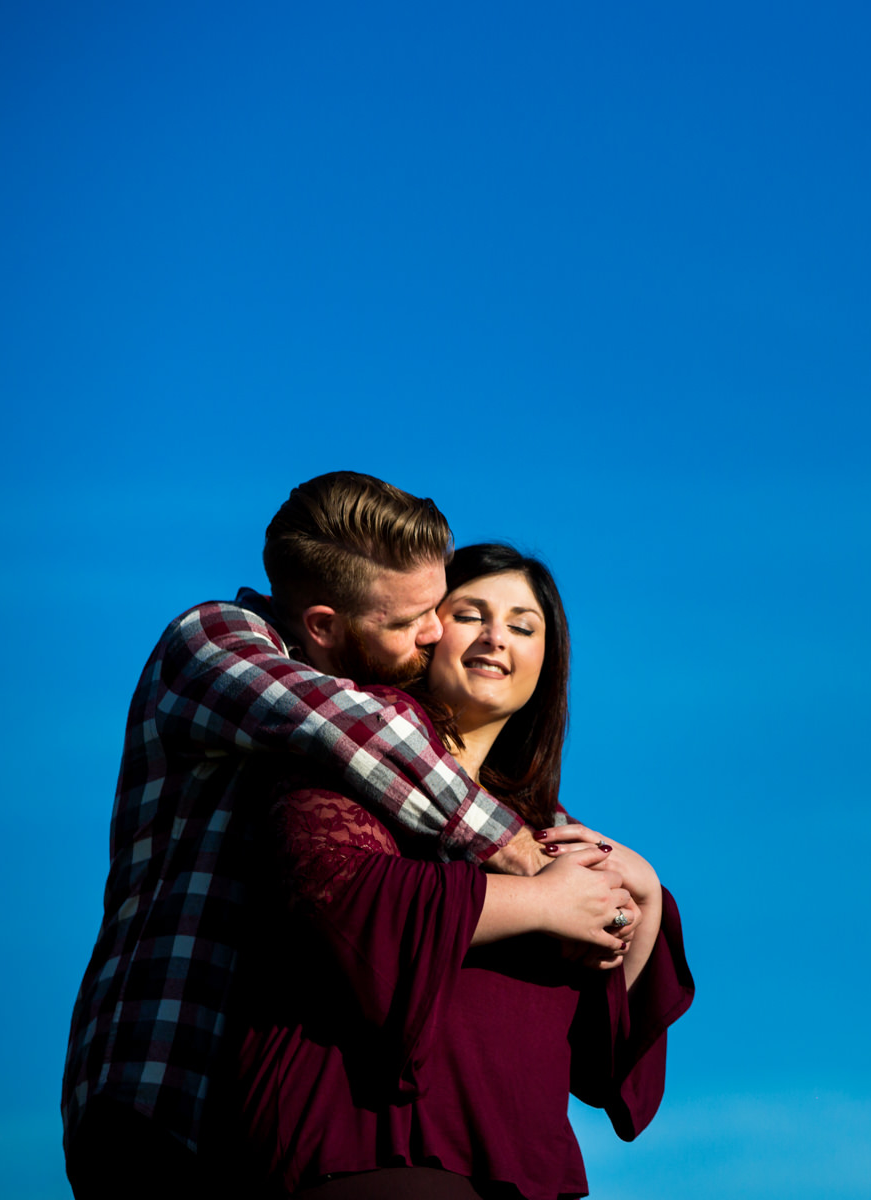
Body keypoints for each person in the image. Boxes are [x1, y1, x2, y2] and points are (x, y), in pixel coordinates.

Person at [62, 474, 630, 1200]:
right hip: (162, 1084)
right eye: (414, 619)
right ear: (325, 624)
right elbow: (364, 730)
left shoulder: (420, 767)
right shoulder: (211, 642)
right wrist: (529, 860)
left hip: (241, 1105)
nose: (435, 634)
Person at [231, 543, 694, 1198]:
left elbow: (600, 1061)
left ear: (548, 663)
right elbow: (335, 892)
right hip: (370, 1147)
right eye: (471, 613)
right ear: (425, 631)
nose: (496, 637)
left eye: (523, 626)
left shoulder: (542, 834)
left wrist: (641, 896)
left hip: (522, 1170)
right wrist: (541, 906)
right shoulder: (349, 751)